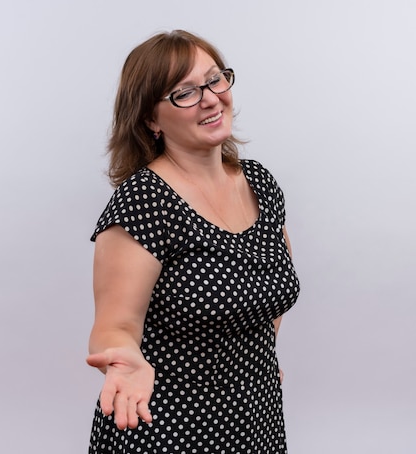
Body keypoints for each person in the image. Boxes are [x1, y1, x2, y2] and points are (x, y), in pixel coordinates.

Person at [86, 29, 300, 453]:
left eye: (215, 79)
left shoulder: (259, 182)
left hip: (256, 418)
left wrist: (254, 357)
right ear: (150, 118)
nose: (209, 98)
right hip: (167, 425)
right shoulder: (144, 202)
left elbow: (271, 285)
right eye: (183, 92)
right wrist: (122, 363)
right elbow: (114, 326)